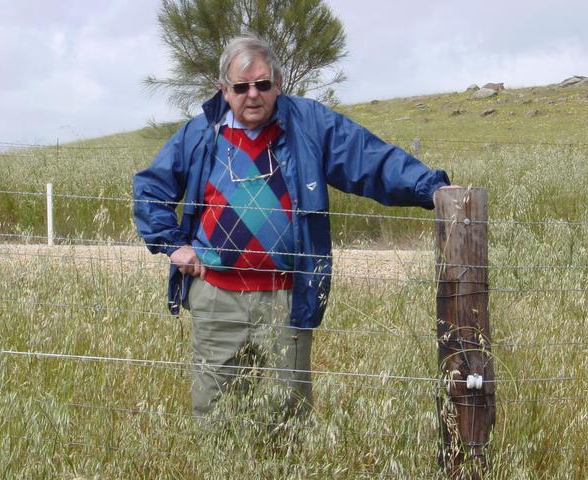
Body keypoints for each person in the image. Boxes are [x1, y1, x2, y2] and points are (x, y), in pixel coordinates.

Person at [133, 34, 451, 421]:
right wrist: (173, 245)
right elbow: (151, 189)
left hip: (287, 298)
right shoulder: (199, 134)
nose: (253, 95)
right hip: (215, 295)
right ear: (224, 89)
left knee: (288, 417)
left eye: (263, 84)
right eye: (242, 86)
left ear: (278, 85)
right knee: (216, 415)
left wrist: (431, 188)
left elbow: (370, 161)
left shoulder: (310, 124)